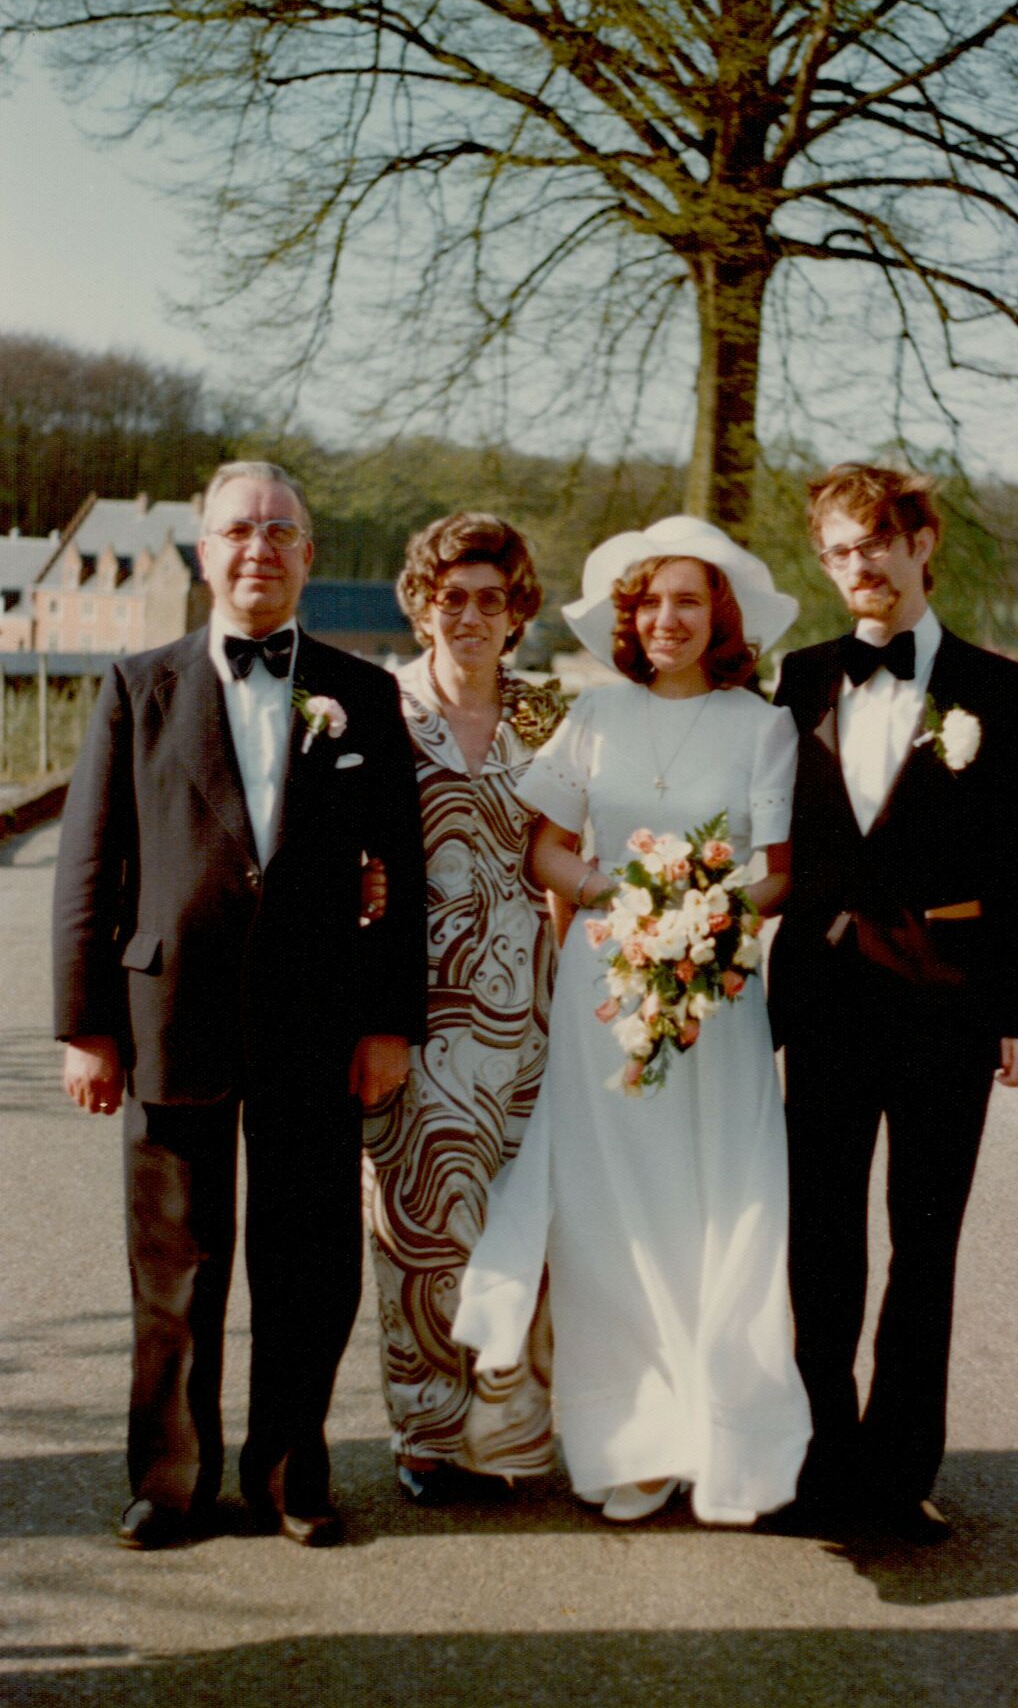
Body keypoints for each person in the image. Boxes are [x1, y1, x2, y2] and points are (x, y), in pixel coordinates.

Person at [52, 460, 426, 1550]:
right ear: (204, 551)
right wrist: (84, 1023)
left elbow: (398, 868)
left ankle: (290, 1476)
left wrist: (389, 1021)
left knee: (309, 1262)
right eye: (236, 530)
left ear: (309, 554)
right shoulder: (135, 687)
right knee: (175, 1264)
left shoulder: (362, 694)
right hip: (171, 1013)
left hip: (318, 1020)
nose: (258, 547)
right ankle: (170, 1481)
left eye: (281, 530)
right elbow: (89, 865)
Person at [453, 516, 812, 1526]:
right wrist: (619, 891)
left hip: (716, 995)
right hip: (600, 992)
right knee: (608, 1217)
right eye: (649, 601)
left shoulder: (761, 725)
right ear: (629, 616)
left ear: (720, 616)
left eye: (687, 601)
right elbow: (546, 852)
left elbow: (776, 874)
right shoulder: (594, 719)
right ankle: (628, 1440)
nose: (666, 619)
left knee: (714, 1209)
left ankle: (720, 1435)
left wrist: (702, 912)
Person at [768, 461, 1018, 1542]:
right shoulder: (794, 680)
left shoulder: (997, 688)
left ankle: (898, 1474)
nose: (862, 566)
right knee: (820, 1245)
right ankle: (819, 1458)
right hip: (827, 1009)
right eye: (840, 550)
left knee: (922, 1245)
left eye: (879, 541)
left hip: (945, 1010)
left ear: (922, 541)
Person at [361, 513, 569, 1502]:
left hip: (528, 1007)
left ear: (517, 609)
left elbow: (568, 844)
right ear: (420, 603)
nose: (472, 616)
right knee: (422, 1222)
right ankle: (426, 1436)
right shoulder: (381, 708)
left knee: (518, 1225)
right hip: (424, 1001)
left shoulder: (541, 713)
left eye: (492, 599)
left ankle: (502, 1432)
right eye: (453, 597)